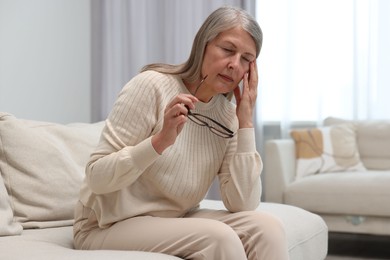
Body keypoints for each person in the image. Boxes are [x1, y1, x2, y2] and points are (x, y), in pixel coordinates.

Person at [73, 5, 289, 260]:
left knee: (269, 229)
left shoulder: (229, 118)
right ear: (203, 45)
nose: (234, 65)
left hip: (173, 218)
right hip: (106, 224)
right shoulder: (151, 85)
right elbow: (97, 177)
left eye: (246, 59)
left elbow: (242, 203)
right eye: (228, 50)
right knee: (219, 238)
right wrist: (159, 142)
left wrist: (245, 122)